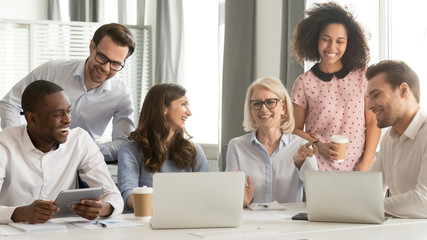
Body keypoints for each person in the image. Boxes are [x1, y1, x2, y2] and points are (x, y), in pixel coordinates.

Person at [0, 23, 136, 162]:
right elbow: (9, 104)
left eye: (115, 64)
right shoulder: (52, 70)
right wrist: (20, 143)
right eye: (101, 57)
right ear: (91, 47)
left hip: (79, 164)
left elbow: (124, 143)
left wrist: (87, 151)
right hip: (32, 155)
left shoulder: (121, 94)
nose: (106, 68)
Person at [0, 80, 123, 224]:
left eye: (68, 111)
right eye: (58, 114)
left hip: (63, 232)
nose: (68, 120)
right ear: (31, 118)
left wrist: (104, 208)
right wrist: (20, 213)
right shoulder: (5, 144)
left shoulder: (79, 140)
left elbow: (113, 195)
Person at [290, 2, 380, 171]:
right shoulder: (304, 82)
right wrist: (318, 145)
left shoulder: (363, 75)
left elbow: (373, 121)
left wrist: (365, 165)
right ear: (315, 39)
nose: (332, 47)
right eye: (326, 39)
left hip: (360, 168)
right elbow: (293, 130)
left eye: (340, 41)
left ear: (349, 43)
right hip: (318, 168)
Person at [226, 77, 318, 206]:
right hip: (251, 223)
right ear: (251, 109)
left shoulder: (301, 146)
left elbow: (317, 191)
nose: (263, 109)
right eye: (257, 103)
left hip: (289, 224)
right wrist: (241, 202)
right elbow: (229, 195)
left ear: (283, 108)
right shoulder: (236, 146)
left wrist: (300, 164)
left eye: (270, 102)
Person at [118, 83, 210, 210]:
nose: (189, 112)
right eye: (183, 104)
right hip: (147, 222)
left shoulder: (193, 150)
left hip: (187, 219)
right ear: (163, 108)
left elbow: (208, 192)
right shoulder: (131, 150)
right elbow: (129, 197)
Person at [367, 60, 427, 218]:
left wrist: (363, 205)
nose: (369, 106)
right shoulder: (389, 138)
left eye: (376, 95)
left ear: (403, 91)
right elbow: (370, 188)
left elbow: (424, 202)